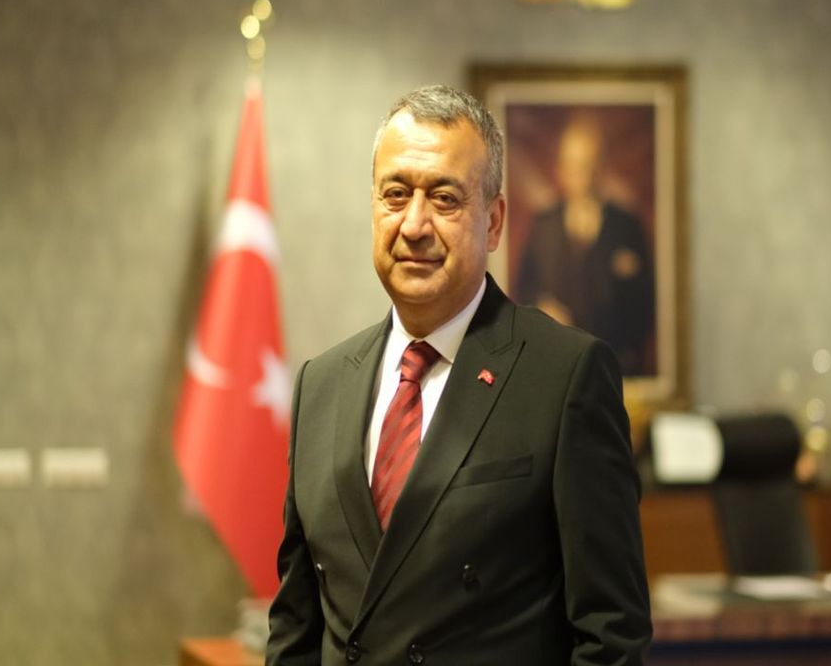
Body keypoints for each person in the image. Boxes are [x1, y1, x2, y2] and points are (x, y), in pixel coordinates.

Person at [266, 85, 652, 665]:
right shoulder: (320, 385)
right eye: (396, 194)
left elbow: (611, 636)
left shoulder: (566, 376)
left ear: (493, 223)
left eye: (444, 199)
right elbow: (295, 628)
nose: (414, 224)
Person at [515, 112, 655, 377]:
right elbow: (524, 290)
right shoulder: (544, 225)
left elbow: (646, 303)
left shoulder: (626, 226)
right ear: (562, 169)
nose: (583, 174)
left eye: (590, 164)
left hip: (614, 368)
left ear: (602, 166)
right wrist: (542, 311)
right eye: (575, 165)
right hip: (556, 365)